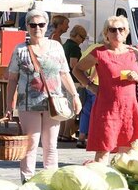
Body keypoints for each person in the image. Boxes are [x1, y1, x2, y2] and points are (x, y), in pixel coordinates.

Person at [5, 10, 83, 181]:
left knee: (51, 145)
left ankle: (51, 180)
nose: (37, 28)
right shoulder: (20, 50)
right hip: (28, 103)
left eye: (41, 24)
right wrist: (9, 105)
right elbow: (12, 79)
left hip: (53, 103)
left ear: (47, 26)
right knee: (31, 143)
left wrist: (75, 96)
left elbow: (64, 73)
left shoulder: (56, 47)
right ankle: (28, 180)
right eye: (33, 25)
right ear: (27, 26)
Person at [74, 16, 138, 163]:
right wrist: (90, 86)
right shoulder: (99, 52)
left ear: (126, 32)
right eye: (113, 30)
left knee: (127, 154)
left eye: (121, 29)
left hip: (129, 109)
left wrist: (137, 78)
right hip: (106, 109)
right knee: (103, 151)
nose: (117, 33)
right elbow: (77, 70)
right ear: (106, 33)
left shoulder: (135, 53)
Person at [58, 25, 89, 143]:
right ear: (77, 36)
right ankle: (67, 134)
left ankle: (61, 134)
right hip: (73, 81)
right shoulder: (75, 48)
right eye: (82, 38)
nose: (82, 41)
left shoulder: (65, 45)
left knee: (63, 108)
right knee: (72, 109)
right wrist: (84, 75)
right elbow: (73, 64)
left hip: (62, 80)